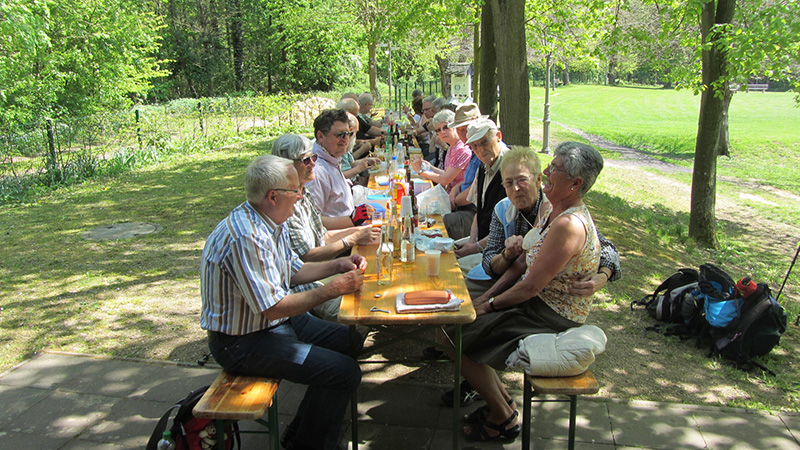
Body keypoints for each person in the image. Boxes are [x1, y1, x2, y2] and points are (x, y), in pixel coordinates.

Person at [200, 155, 366, 450]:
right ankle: (308, 444)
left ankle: (304, 432)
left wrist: (338, 266)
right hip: (242, 342)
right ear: (273, 196)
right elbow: (273, 307)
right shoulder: (246, 236)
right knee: (344, 372)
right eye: (295, 190)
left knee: (350, 339)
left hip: (273, 325)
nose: (301, 195)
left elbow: (293, 271)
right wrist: (332, 290)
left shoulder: (269, 221)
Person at [450, 142, 605, 442]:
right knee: (456, 323)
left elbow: (532, 285)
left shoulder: (569, 224)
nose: (546, 171)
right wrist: (485, 298)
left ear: (576, 183)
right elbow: (520, 262)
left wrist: (489, 305)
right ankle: (503, 404)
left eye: (555, 169)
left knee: (455, 333)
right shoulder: (554, 211)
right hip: (533, 304)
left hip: (550, 315)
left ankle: (503, 418)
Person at [272, 133, 379, 321]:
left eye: (314, 157)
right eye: (306, 160)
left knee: (375, 280)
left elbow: (323, 235)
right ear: (285, 164)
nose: (314, 163)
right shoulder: (284, 203)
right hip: (305, 285)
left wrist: (357, 229)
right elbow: (305, 257)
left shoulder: (304, 192)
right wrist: (351, 239)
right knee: (366, 306)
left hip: (318, 271)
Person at [453, 118, 509, 274]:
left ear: (499, 136)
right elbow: (480, 211)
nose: (480, 150)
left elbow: (509, 230)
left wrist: (475, 247)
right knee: (443, 251)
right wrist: (471, 242)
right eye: (475, 146)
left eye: (484, 142)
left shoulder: (511, 170)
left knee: (452, 268)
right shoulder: (484, 166)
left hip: (500, 252)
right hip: (483, 241)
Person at [305, 109, 371, 230]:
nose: (346, 139)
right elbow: (312, 220)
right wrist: (352, 220)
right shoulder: (317, 171)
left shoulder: (331, 158)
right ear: (320, 136)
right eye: (340, 135)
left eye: (348, 134)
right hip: (341, 239)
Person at [442, 103, 487, 240]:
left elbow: (475, 191)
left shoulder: (483, 151)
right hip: (465, 205)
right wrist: (456, 187)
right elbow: (467, 181)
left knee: (441, 223)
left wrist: (454, 201)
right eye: (459, 129)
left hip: (473, 212)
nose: (462, 134)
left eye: (465, 129)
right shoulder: (472, 149)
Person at [410, 109, 471, 193]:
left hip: (458, 197)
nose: (442, 132)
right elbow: (446, 174)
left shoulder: (461, 149)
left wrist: (420, 171)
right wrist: (430, 167)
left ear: (455, 127)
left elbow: (445, 180)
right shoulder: (452, 147)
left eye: (446, 127)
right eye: (438, 130)